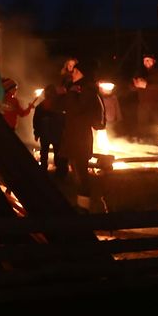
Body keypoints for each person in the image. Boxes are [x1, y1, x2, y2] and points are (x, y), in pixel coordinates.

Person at [59, 64, 104, 211]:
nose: (73, 72)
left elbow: (76, 109)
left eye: (77, 71)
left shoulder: (87, 90)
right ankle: (81, 204)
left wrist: (71, 93)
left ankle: (84, 206)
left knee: (80, 173)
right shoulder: (77, 88)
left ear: (84, 73)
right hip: (74, 135)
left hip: (80, 138)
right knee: (76, 171)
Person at [131, 54, 158, 141]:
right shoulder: (140, 72)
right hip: (143, 104)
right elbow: (131, 86)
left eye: (149, 60)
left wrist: (147, 85)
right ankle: (142, 141)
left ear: (154, 61)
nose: (146, 62)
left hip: (156, 104)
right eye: (145, 60)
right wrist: (135, 86)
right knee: (142, 125)